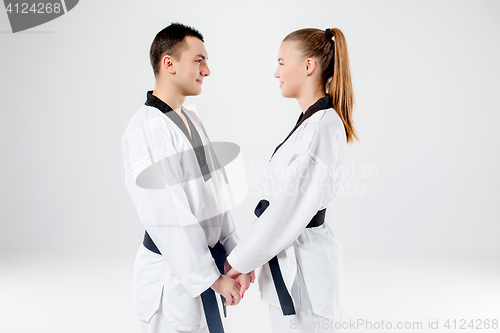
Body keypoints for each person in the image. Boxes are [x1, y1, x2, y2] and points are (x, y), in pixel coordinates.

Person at [121, 23, 253, 333]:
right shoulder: (147, 130)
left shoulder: (189, 117)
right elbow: (167, 215)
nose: (206, 70)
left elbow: (214, 197)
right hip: (171, 277)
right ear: (169, 63)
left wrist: (235, 259)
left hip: (200, 268)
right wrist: (211, 277)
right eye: (199, 60)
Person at [225, 27, 358, 332]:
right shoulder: (312, 122)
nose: (276, 72)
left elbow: (286, 212)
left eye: (282, 62)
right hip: (293, 263)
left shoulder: (321, 127)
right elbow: (281, 210)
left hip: (305, 275)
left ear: (308, 66)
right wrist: (246, 261)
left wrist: (239, 263)